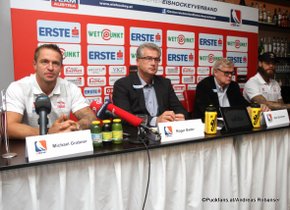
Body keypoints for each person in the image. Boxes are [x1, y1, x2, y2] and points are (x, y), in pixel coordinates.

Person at [6, 44, 96, 139]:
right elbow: (8, 127)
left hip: (61, 145)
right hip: (28, 148)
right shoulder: (18, 87)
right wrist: (48, 133)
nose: (50, 68)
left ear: (61, 67)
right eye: (44, 62)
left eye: (55, 63)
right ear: (35, 65)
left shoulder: (71, 88)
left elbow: (91, 118)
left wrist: (74, 127)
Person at [113, 42, 188, 126]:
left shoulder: (165, 83)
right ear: (138, 61)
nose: (153, 63)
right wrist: (155, 120)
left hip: (165, 133)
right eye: (149, 58)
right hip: (137, 134)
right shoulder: (122, 85)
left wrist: (180, 116)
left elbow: (180, 110)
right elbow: (125, 117)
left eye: (156, 59)